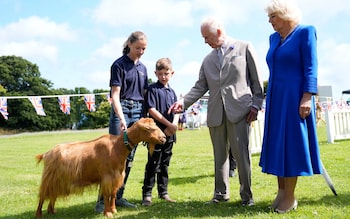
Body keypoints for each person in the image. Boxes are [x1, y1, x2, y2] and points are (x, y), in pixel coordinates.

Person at [168, 17, 264, 206]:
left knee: (241, 155)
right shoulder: (208, 59)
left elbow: (256, 81)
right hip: (216, 115)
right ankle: (220, 195)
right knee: (219, 156)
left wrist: (256, 104)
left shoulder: (244, 47)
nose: (205, 41)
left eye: (207, 37)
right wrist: (184, 102)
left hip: (240, 112)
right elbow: (200, 86)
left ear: (219, 31)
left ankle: (247, 197)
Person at [259, 0, 323, 213]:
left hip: (296, 98)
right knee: (278, 144)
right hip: (276, 99)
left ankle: (290, 195)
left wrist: (307, 97)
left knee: (292, 145)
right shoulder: (273, 38)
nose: (270, 21)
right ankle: (281, 191)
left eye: (272, 17)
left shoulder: (306, 32)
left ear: (284, 14)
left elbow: (311, 66)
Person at [95, 31, 148, 213]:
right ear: (129, 45)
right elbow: (115, 95)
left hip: (138, 111)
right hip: (122, 109)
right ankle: (102, 201)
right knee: (113, 158)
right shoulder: (118, 65)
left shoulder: (143, 68)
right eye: (138, 48)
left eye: (144, 49)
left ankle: (118, 196)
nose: (141, 51)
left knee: (129, 158)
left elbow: (144, 95)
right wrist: (121, 117)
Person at [141, 58, 178, 206]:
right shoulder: (152, 90)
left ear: (172, 73)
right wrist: (168, 124)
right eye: (160, 73)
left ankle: (164, 192)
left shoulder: (172, 92)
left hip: (170, 134)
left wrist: (173, 126)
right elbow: (152, 110)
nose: (163, 76)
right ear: (155, 73)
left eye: (166, 73)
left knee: (164, 164)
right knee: (153, 163)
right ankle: (147, 194)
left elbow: (177, 111)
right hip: (156, 135)